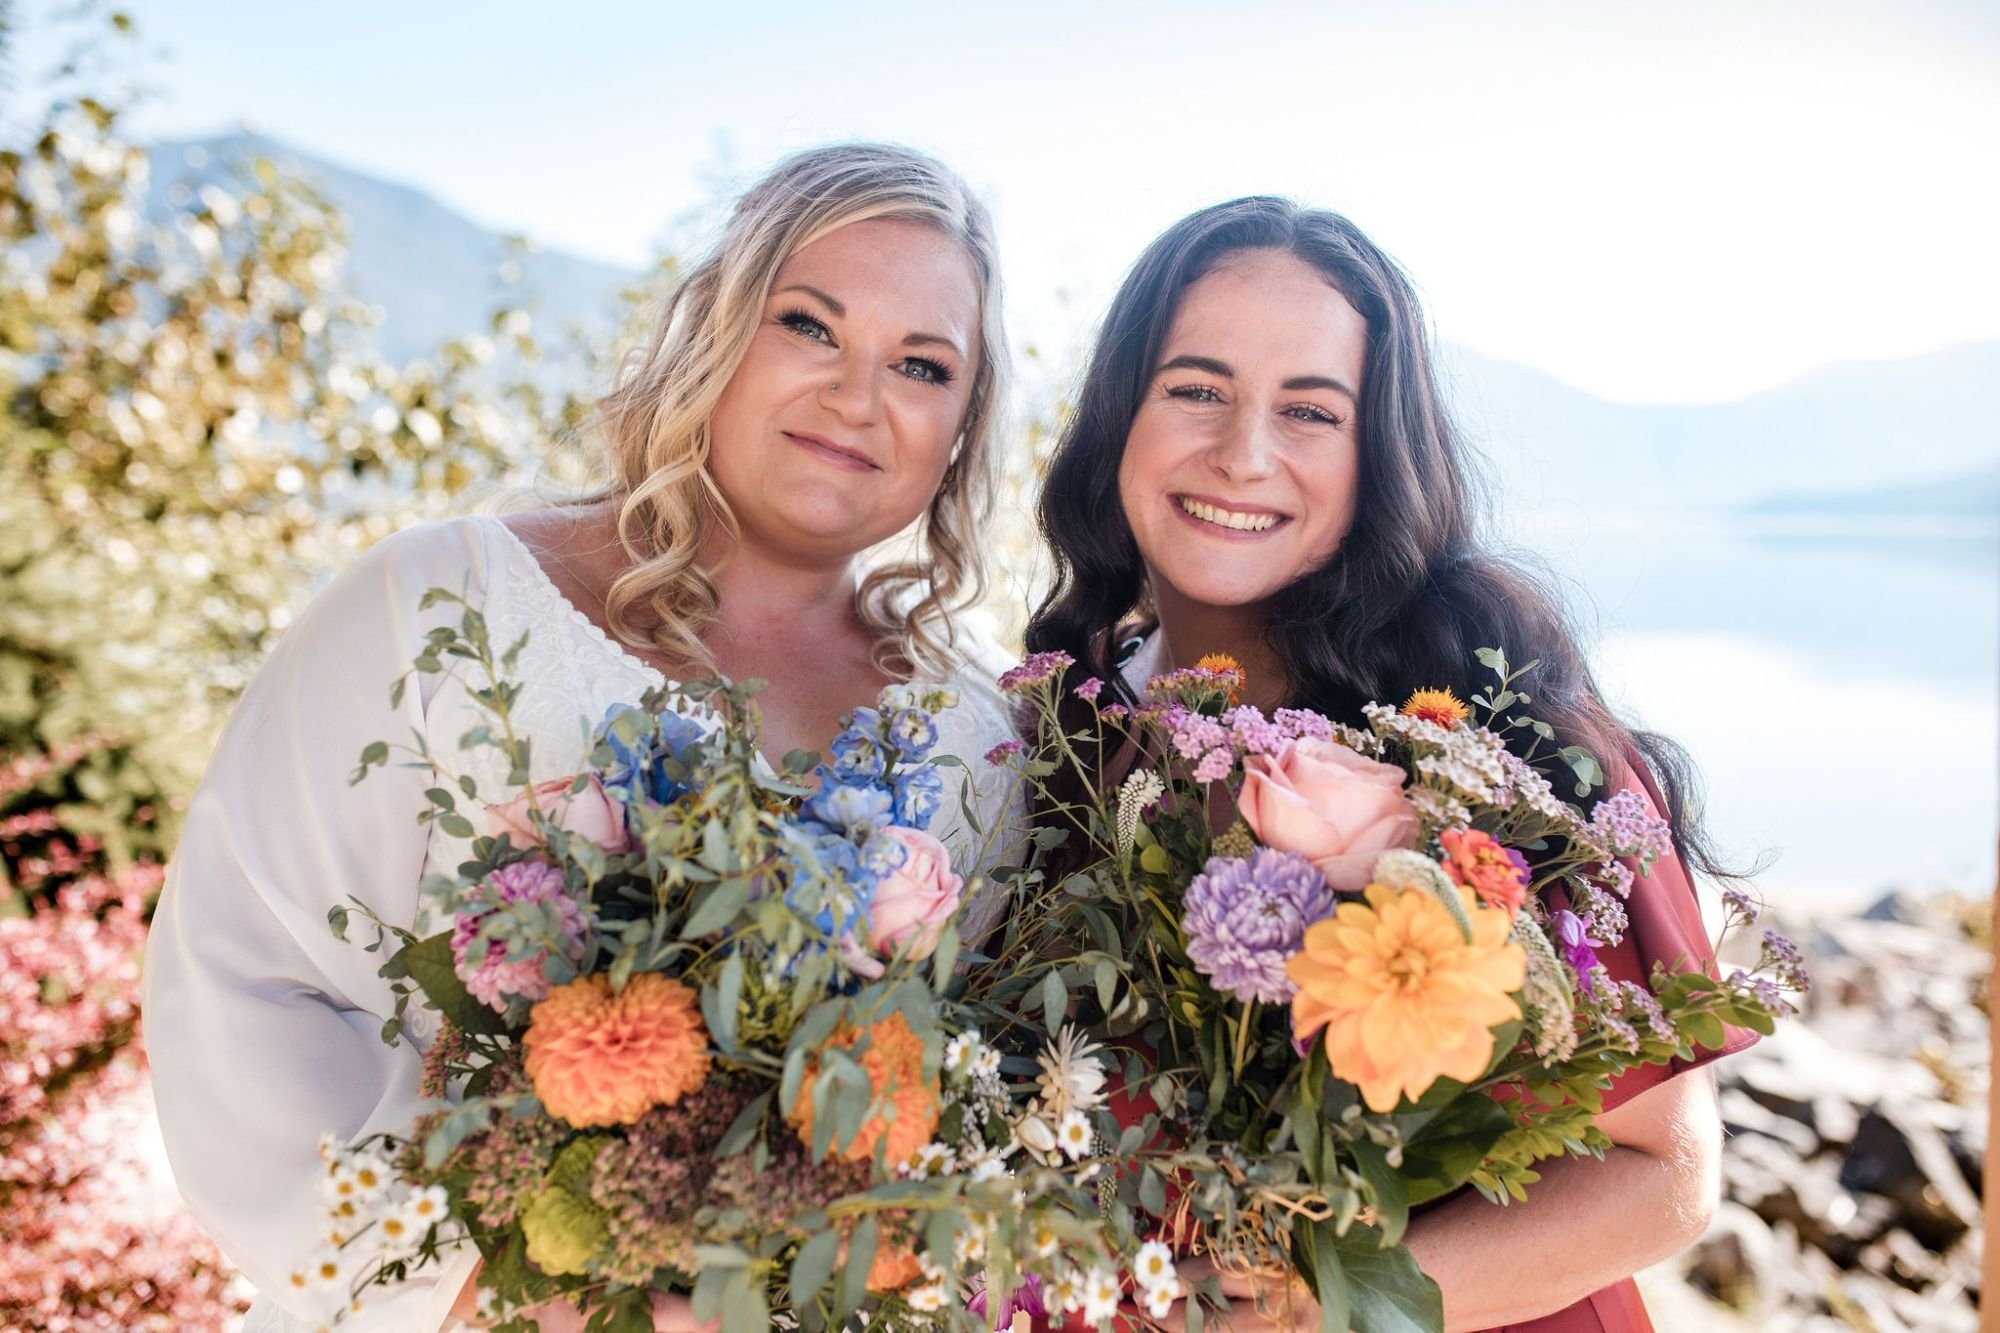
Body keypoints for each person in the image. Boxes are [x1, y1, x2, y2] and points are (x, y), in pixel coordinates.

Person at [145, 142, 1023, 1333]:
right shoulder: (440, 602)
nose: (857, 396)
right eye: (808, 326)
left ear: (963, 422)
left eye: (921, 365)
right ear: (717, 330)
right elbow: (240, 976)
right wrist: (501, 1298)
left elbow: (976, 1106)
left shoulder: (979, 736)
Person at [1025, 197, 1754, 1332]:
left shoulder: (1504, 741)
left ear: (1377, 455)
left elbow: (1660, 1177)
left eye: (1309, 411)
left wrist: (1317, 1307)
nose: (1243, 453)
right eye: (1196, 389)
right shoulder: (1056, 730)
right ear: (1119, 413)